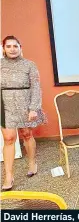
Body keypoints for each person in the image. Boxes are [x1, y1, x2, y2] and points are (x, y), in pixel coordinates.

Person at [1, 35, 47, 191]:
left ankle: (32, 162)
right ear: (3, 49)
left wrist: (34, 108)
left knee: (26, 134)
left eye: (15, 46)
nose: (12, 49)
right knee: (8, 138)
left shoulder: (29, 65)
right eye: (9, 46)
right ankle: (8, 176)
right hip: (4, 104)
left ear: (20, 48)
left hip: (25, 103)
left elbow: (36, 87)